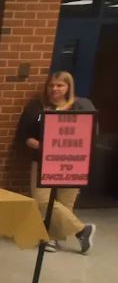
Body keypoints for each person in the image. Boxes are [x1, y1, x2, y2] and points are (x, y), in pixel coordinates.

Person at [17, 71, 96, 253]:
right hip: (43, 160)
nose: (55, 89)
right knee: (42, 199)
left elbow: (90, 133)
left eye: (60, 85)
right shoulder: (37, 107)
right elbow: (25, 134)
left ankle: (52, 239)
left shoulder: (82, 105)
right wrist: (40, 145)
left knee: (65, 202)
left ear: (69, 87)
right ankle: (82, 229)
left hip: (73, 162)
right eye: (51, 85)